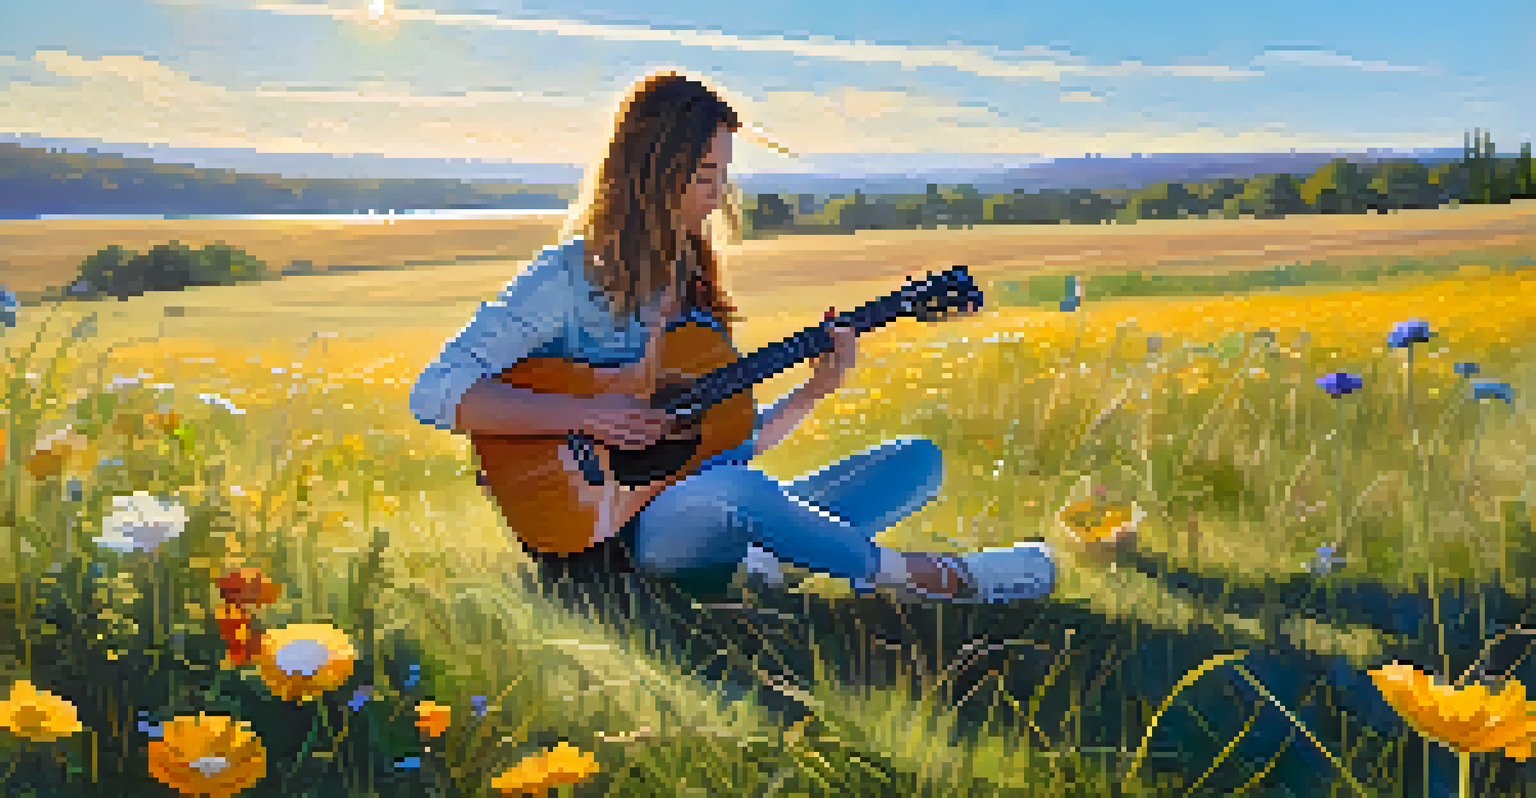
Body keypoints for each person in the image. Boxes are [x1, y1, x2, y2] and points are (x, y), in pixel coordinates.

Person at [409, 70, 1068, 607]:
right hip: (613, 542)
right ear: (648, 172)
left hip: (709, 507)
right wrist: (588, 414)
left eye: (722, 174)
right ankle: (931, 578)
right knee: (744, 497)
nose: (718, 194)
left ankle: (764, 556)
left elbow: (727, 443)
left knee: (916, 460)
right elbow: (435, 393)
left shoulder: (690, 280)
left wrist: (816, 389)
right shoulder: (565, 278)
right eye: (703, 175)